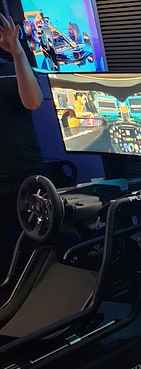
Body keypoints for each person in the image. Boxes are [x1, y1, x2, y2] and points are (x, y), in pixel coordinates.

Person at [0, 13, 45, 278]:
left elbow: (33, 102)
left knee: (39, 250)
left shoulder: (12, 64)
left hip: (27, 172)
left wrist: (17, 54)